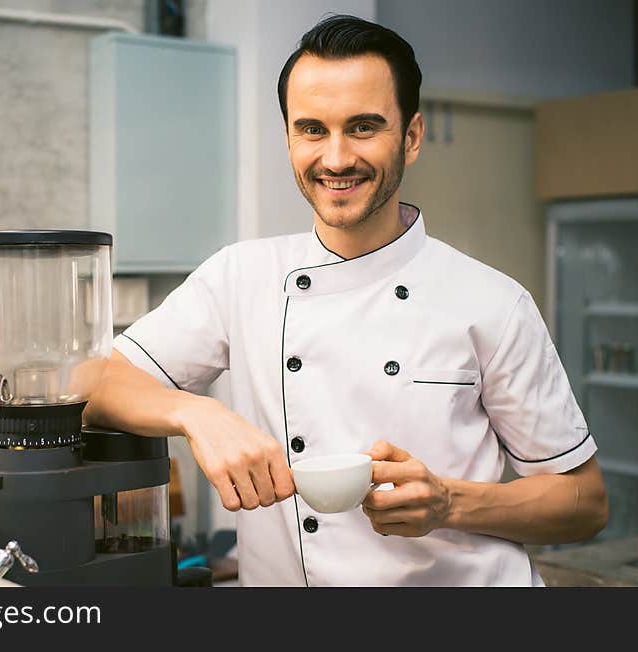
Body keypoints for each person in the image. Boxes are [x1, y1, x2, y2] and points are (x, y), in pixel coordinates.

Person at [84, 14, 608, 586]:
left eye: (363, 127)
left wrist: (449, 503)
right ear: (288, 137)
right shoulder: (242, 276)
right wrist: (196, 413)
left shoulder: (493, 302)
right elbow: (94, 385)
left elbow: (583, 501)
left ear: (411, 137)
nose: (335, 159)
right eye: (312, 129)